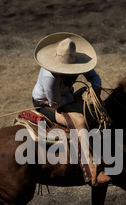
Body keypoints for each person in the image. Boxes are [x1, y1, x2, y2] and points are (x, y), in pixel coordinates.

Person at [32, 32, 111, 187]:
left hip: (66, 97)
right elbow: (55, 103)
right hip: (45, 105)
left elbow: (93, 76)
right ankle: (92, 169)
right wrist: (75, 96)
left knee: (94, 111)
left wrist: (96, 86)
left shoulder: (78, 63)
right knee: (79, 121)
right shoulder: (50, 76)